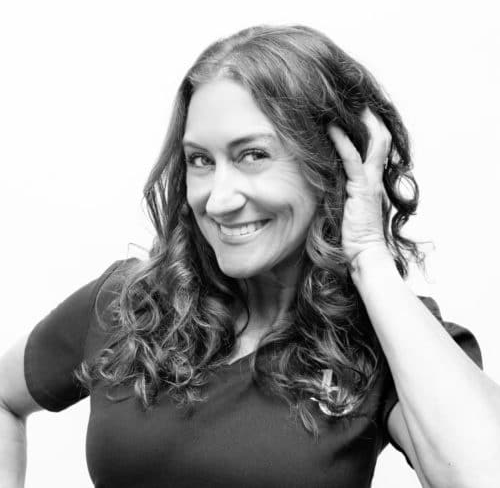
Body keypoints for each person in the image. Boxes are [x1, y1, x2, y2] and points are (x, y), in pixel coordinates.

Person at [0, 24, 498, 488]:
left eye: (253, 155)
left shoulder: (388, 340)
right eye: (200, 160)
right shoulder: (128, 303)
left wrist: (368, 254)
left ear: (329, 165)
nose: (217, 200)